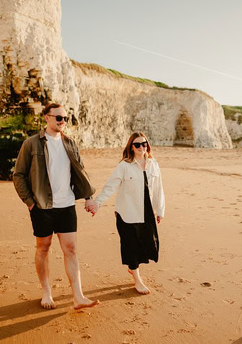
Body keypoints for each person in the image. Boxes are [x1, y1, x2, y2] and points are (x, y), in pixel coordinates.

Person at [13, 102, 99, 310]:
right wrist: (30, 202)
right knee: (43, 248)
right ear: (46, 118)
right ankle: (46, 292)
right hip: (42, 206)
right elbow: (18, 175)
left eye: (65, 118)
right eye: (58, 118)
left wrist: (87, 196)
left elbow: (79, 171)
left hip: (67, 205)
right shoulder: (32, 144)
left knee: (71, 249)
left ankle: (78, 296)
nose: (63, 122)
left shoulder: (70, 143)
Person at [88, 132, 165, 295]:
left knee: (147, 243)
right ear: (131, 147)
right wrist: (97, 203)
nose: (141, 147)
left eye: (144, 144)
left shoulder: (153, 164)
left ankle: (133, 268)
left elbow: (159, 188)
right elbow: (110, 186)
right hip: (127, 213)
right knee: (131, 247)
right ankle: (137, 279)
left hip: (147, 212)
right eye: (137, 145)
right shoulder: (124, 166)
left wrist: (160, 210)